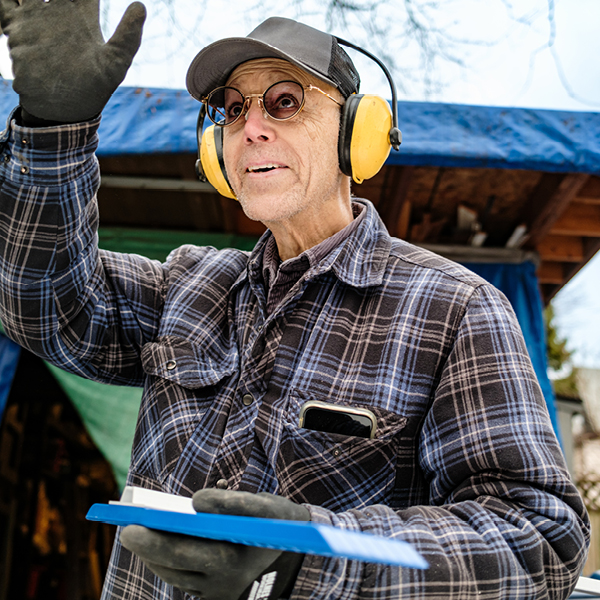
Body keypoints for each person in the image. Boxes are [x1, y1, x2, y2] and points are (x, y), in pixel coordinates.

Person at [0, 1, 590, 599]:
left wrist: (307, 560)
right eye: (232, 109)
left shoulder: (457, 309)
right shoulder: (187, 284)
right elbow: (45, 307)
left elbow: (537, 540)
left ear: (357, 134)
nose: (250, 125)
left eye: (285, 101)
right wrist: (54, 134)